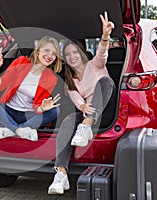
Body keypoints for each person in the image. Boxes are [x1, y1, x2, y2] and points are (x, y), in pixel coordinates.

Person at [48, 11, 115, 194]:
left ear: (82, 52)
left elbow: (102, 51)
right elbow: (77, 100)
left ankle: (86, 126)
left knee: (106, 82)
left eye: (74, 52)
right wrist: (84, 107)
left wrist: (105, 36)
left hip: (104, 111)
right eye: (67, 54)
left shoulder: (96, 65)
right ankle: (60, 175)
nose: (71, 57)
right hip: (88, 112)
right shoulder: (71, 81)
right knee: (69, 119)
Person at [0, 36, 62, 141]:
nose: (50, 55)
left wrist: (42, 108)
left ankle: (10, 130)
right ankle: (20, 131)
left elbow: (37, 107)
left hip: (29, 115)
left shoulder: (51, 78)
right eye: (47, 50)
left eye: (54, 54)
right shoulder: (21, 62)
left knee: (55, 111)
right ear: (38, 50)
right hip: (9, 111)